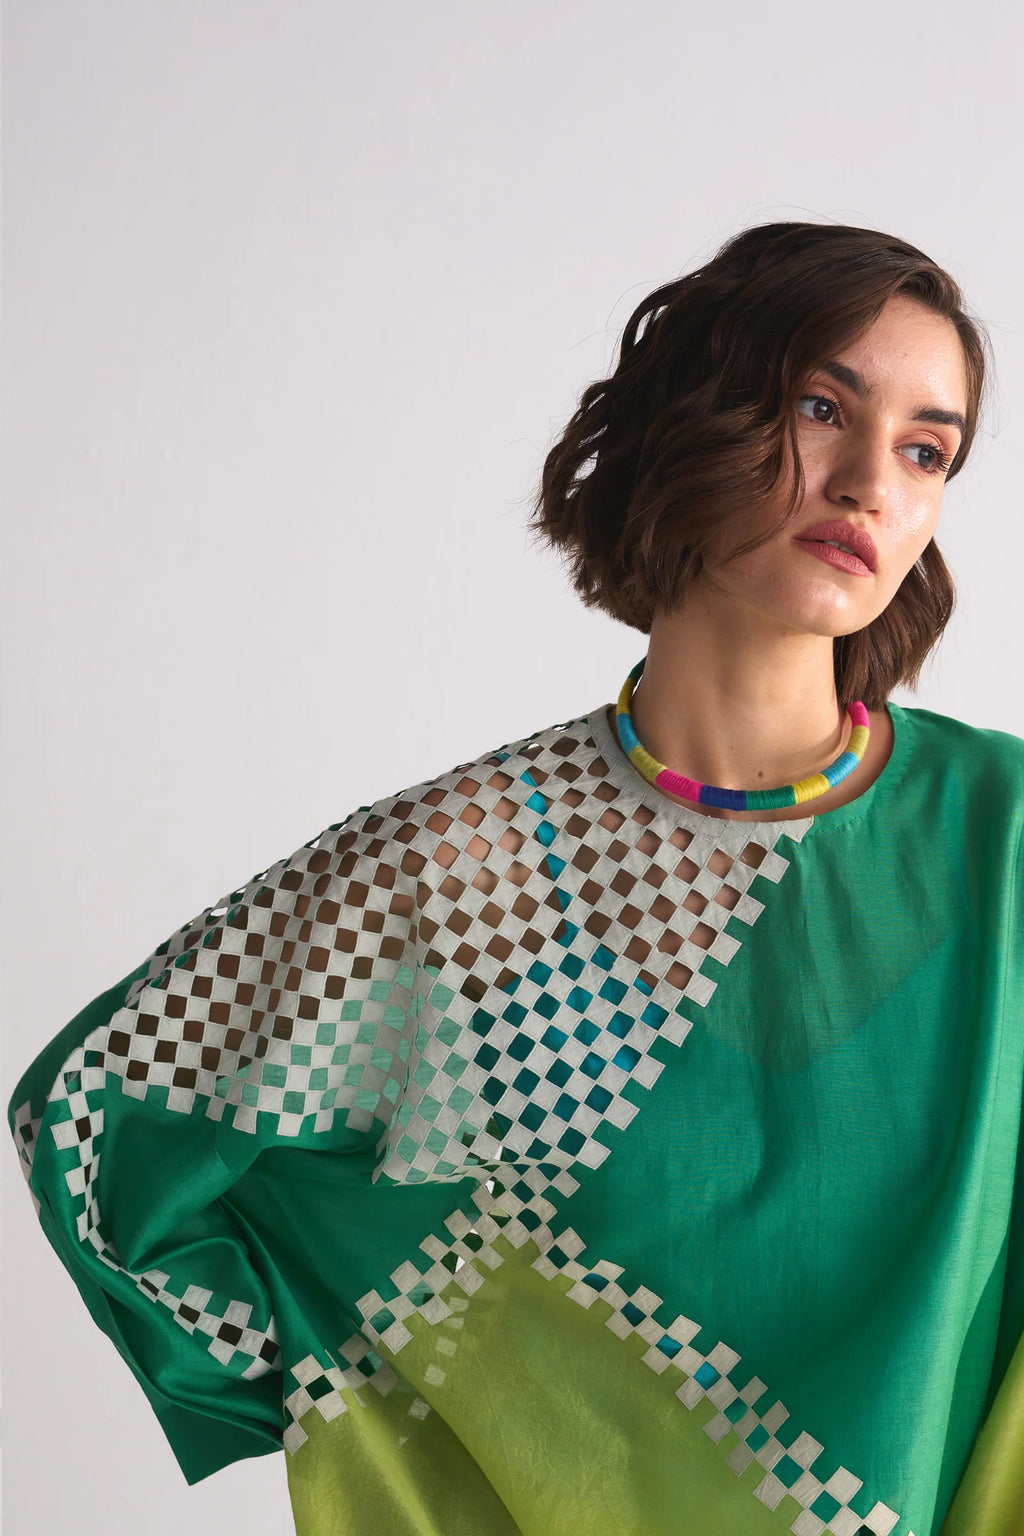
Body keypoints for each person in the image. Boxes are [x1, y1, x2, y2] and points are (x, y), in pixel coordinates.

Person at [9, 220, 1023, 1536]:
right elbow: (94, 1120)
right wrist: (362, 1377)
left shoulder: (1000, 836)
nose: (872, 483)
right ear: (698, 417)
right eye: (822, 408)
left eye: (928, 450)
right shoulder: (467, 873)